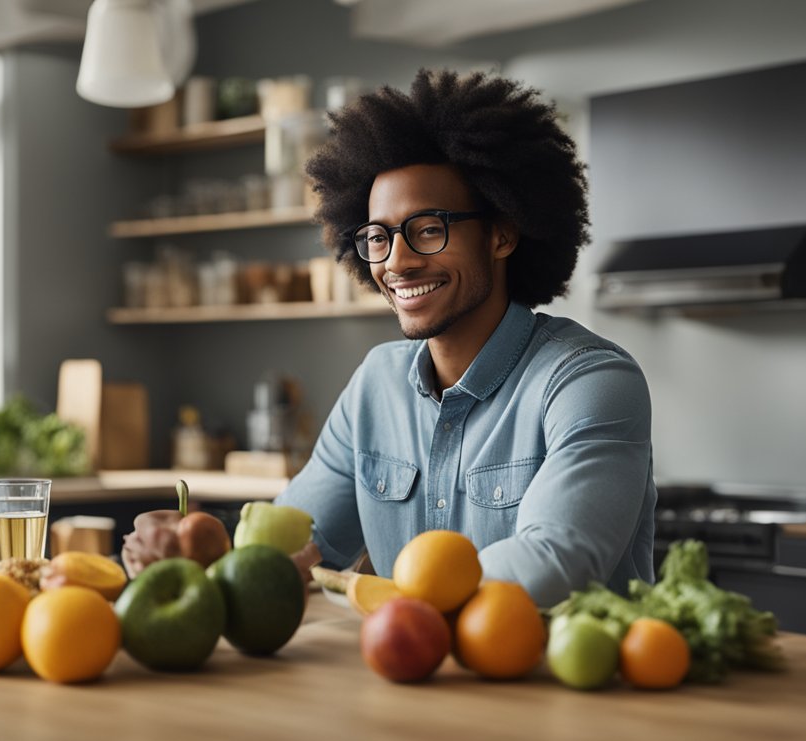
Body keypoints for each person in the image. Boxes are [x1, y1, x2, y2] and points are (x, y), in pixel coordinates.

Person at [276, 68, 657, 607]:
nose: (397, 262)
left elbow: (554, 562)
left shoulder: (589, 380)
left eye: (429, 229)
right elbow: (294, 549)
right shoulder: (375, 386)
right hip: (415, 682)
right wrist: (195, 553)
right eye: (378, 237)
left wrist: (380, 595)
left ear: (502, 234)